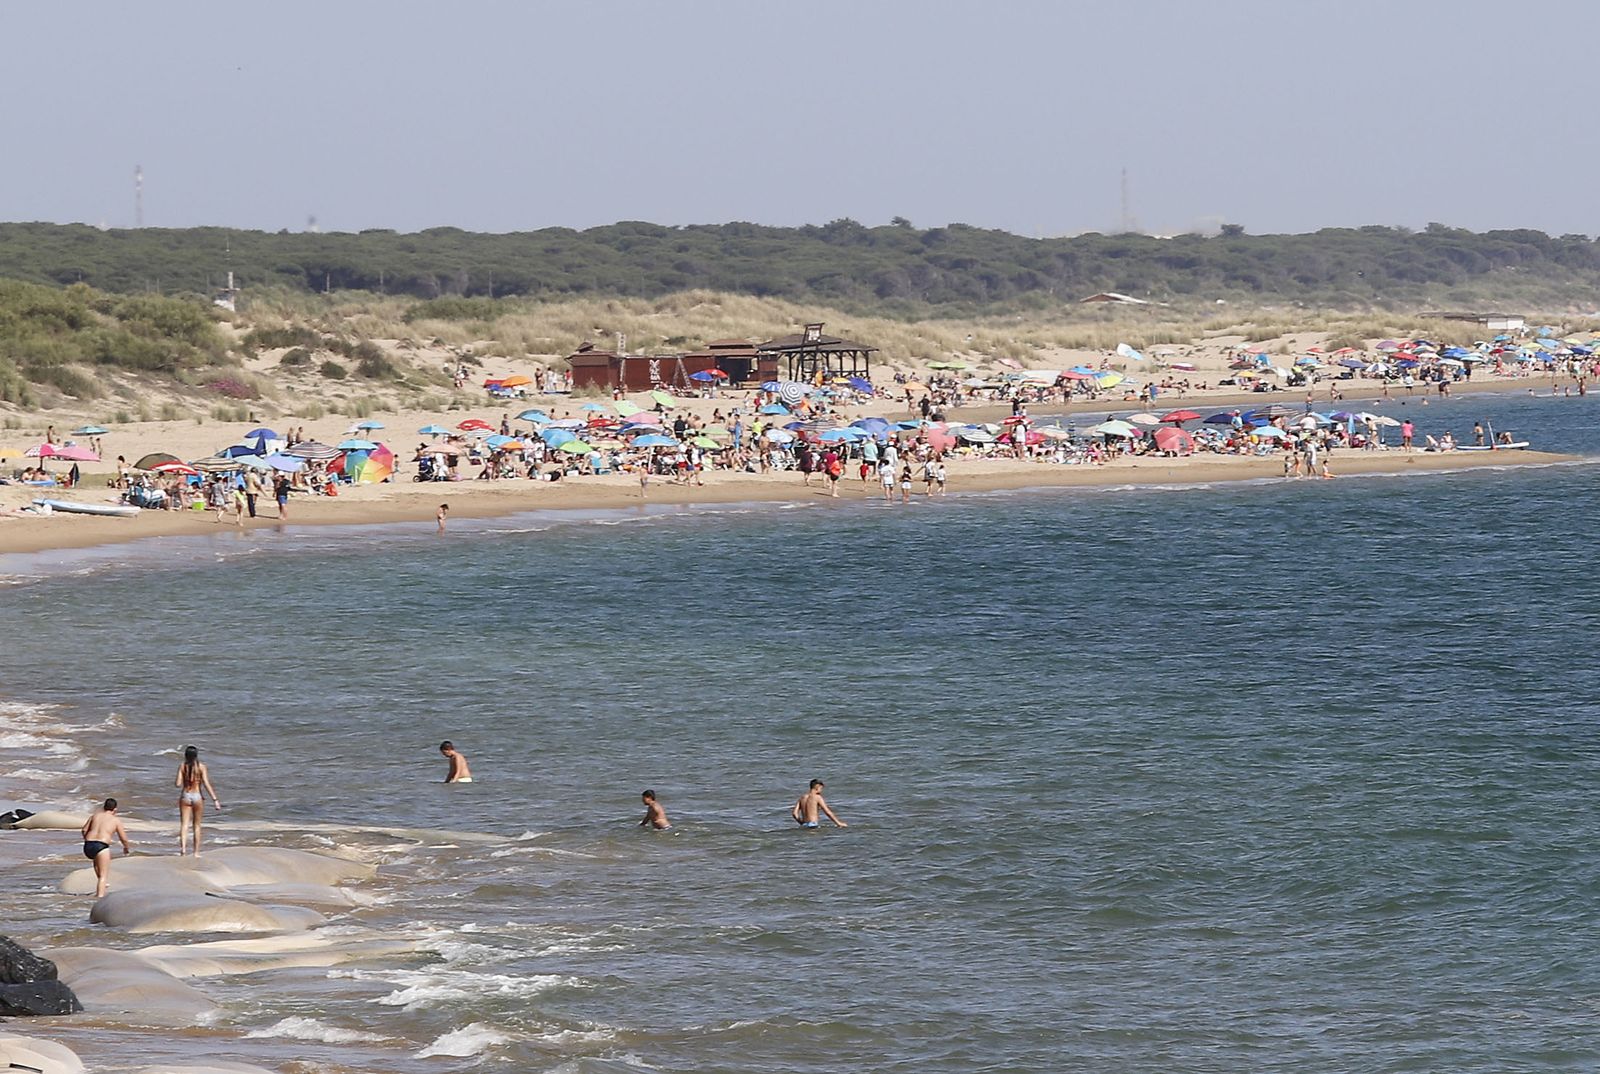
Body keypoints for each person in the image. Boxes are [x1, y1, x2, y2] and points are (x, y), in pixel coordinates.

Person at [175, 745, 222, 856]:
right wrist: (215, 800)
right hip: (197, 796)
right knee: (197, 825)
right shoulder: (201, 767)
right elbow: (206, 784)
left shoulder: (182, 766)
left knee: (184, 825)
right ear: (196, 755)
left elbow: (177, 784)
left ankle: (183, 849)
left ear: (185, 755)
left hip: (185, 795)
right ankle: (196, 852)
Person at [81, 798, 131, 897]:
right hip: (101, 845)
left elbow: (84, 830)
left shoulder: (94, 816)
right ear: (115, 809)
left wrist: (86, 839)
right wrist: (126, 848)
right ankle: (99, 896)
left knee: (97, 864)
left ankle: (103, 885)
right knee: (103, 875)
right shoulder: (115, 820)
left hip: (88, 844)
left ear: (104, 807)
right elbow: (123, 838)